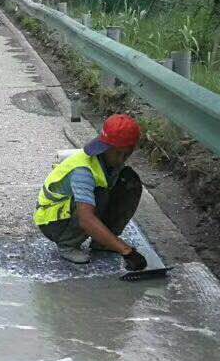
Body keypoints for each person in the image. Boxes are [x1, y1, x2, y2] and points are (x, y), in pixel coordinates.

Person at [34, 113, 148, 272]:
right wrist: (126, 251)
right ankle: (68, 244)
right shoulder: (83, 171)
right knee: (98, 195)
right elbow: (86, 219)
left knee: (129, 181)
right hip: (54, 222)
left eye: (128, 153)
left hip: (72, 212)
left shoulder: (110, 162)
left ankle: (102, 242)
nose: (123, 159)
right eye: (120, 153)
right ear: (109, 148)